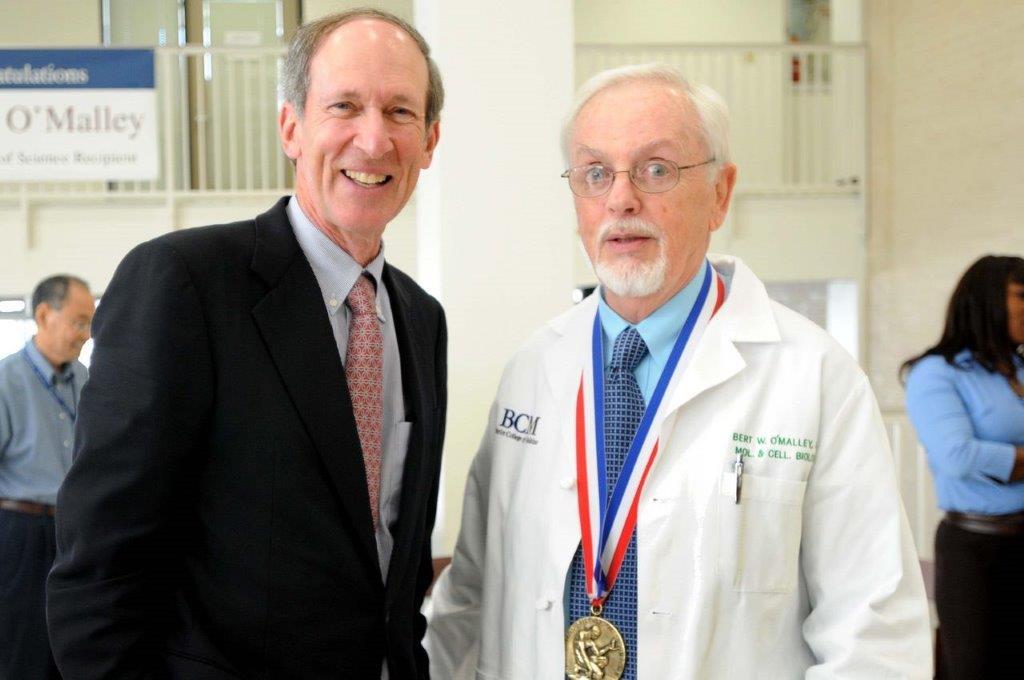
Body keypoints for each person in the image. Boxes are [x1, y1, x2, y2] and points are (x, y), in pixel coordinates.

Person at [425, 64, 931, 679]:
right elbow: (470, 596)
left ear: (721, 192)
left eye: (656, 170)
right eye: (595, 173)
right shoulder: (534, 368)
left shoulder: (816, 377)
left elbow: (873, 636)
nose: (621, 198)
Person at [46, 9, 446, 679]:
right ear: (291, 126)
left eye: (400, 112)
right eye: (344, 106)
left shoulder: (419, 318)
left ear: (430, 139)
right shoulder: (184, 284)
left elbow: (390, 562)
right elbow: (100, 571)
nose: (373, 141)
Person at [902, 255, 1024, 680]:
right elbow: (957, 456)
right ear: (986, 301)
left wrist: (1007, 459)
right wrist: (1014, 459)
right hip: (977, 550)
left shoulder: (1019, 369)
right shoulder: (937, 374)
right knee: (976, 668)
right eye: (1021, 296)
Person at [0, 274, 93, 680]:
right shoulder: (6, 380)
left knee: (72, 647)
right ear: (43, 315)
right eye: (78, 321)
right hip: (20, 533)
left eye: (90, 323)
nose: (85, 335)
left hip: (74, 534)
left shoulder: (87, 381)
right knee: (24, 648)